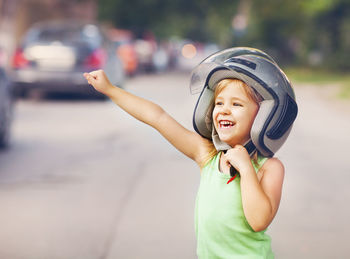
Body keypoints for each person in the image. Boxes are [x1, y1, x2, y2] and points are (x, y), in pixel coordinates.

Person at [83, 47, 298, 258]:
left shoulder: (269, 168)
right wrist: (111, 89)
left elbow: (258, 220)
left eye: (237, 104)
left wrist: (246, 168)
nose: (223, 109)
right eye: (219, 103)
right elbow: (157, 117)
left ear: (265, 116)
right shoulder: (209, 156)